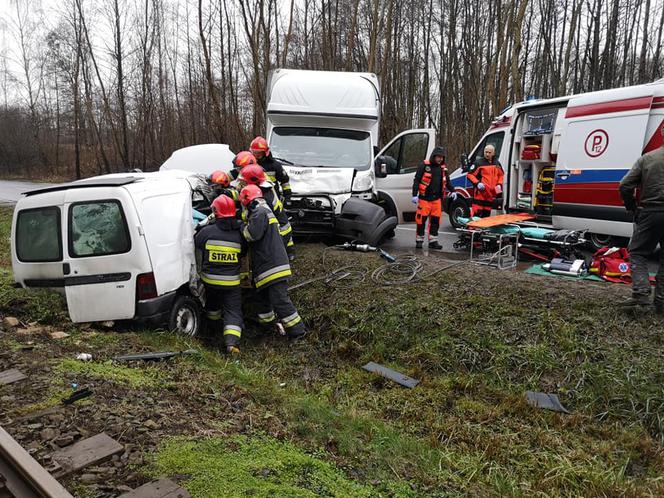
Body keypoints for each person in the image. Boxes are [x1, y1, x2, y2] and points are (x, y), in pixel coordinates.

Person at [239, 184, 306, 339]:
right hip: (267, 267)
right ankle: (267, 328)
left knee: (280, 301)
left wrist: (241, 225)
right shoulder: (265, 211)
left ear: (247, 200)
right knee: (262, 300)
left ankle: (298, 332)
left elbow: (250, 235)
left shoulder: (259, 213)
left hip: (272, 267)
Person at [618, 126, 664, 312]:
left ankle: (642, 292)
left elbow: (624, 185)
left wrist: (632, 207)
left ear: (662, 133)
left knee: (638, 252)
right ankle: (661, 302)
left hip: (652, 212)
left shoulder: (648, 158)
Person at [194, 195, 247, 353]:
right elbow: (243, 254)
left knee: (213, 306)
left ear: (215, 212)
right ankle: (231, 343)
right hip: (231, 283)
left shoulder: (206, 232)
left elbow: (195, 242)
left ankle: (211, 332)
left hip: (209, 281)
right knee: (233, 311)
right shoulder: (240, 236)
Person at [239, 164, 295, 258]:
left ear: (253, 182)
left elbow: (257, 227)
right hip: (282, 228)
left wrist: (241, 224)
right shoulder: (262, 188)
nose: (241, 185)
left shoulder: (263, 198)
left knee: (269, 259)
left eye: (244, 183)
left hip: (279, 233)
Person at [411, 146, 455, 249]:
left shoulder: (443, 169)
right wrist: (414, 194)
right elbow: (417, 180)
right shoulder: (424, 165)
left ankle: (433, 241)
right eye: (438, 157)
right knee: (421, 221)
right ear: (434, 156)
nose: (440, 159)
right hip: (424, 199)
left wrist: (453, 191)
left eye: (442, 157)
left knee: (435, 221)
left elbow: (447, 182)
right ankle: (419, 240)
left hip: (437, 200)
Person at [466, 144, 505, 217]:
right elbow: (470, 175)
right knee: (476, 216)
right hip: (480, 194)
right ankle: (472, 228)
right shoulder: (478, 162)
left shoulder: (497, 163)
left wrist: (499, 184)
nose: (487, 154)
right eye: (486, 152)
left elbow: (501, 175)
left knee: (486, 216)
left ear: (493, 153)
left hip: (490, 195)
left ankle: (484, 228)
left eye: (489, 152)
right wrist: (477, 183)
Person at [249, 136, 292, 201]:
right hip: (253, 198)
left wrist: (287, 196)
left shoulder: (274, 165)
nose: (256, 156)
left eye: (258, 153)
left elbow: (284, 181)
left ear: (265, 153)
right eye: (254, 153)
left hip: (272, 199)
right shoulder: (249, 164)